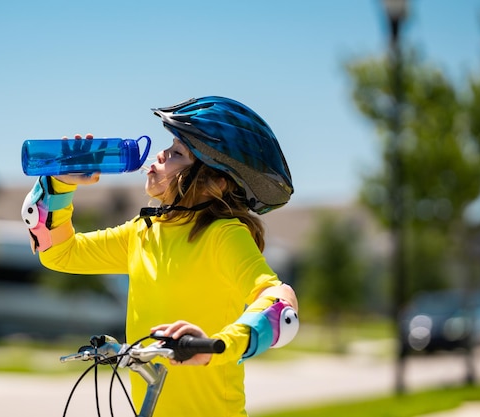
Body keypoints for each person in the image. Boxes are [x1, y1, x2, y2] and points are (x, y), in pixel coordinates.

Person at [21, 96, 299, 417]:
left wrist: (217, 345)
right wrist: (59, 183)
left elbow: (279, 302)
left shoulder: (223, 235)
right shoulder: (144, 231)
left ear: (213, 182)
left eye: (177, 153)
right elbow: (59, 252)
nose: (160, 155)